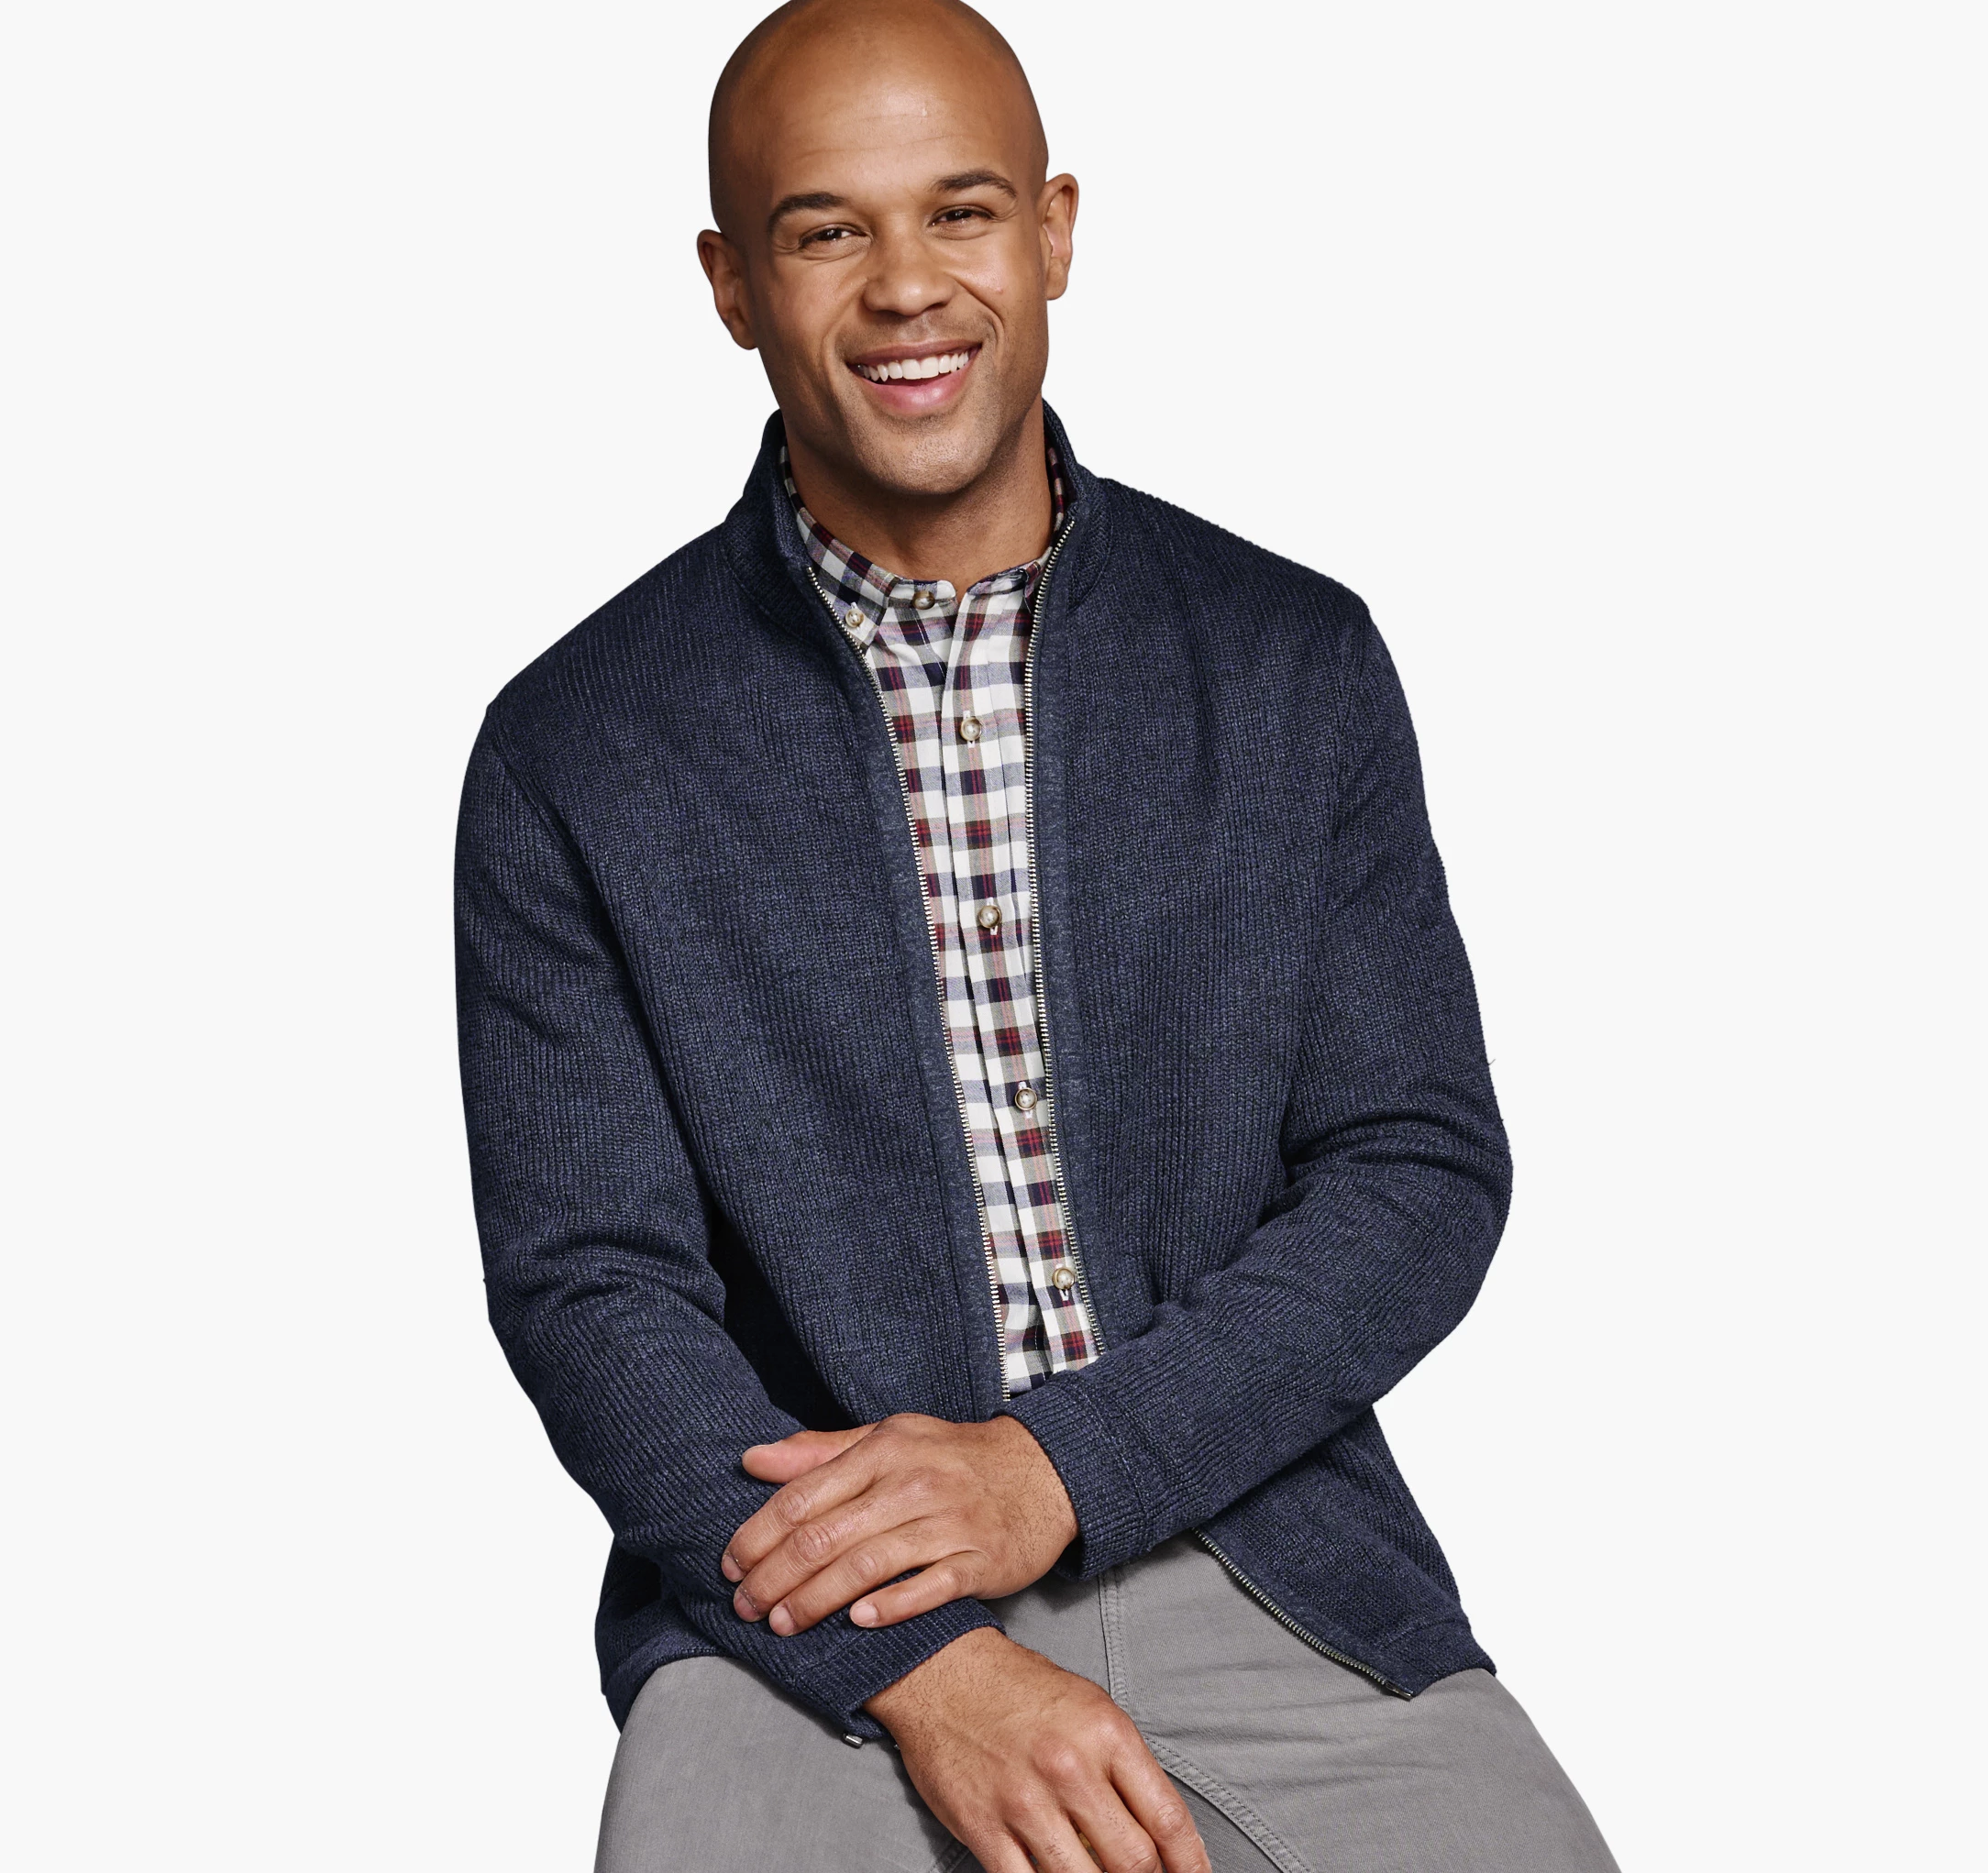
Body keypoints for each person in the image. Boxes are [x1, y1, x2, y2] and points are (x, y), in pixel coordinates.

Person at [453, 2, 1620, 1867]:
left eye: (962, 211)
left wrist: (1058, 1467)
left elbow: (1414, 1165)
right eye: (826, 229)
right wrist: (923, 1662)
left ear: (1054, 232)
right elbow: (594, 1292)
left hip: (1260, 1531)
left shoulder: (1289, 662)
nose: (907, 284)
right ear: (732, 284)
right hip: (802, 1600)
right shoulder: (577, 747)